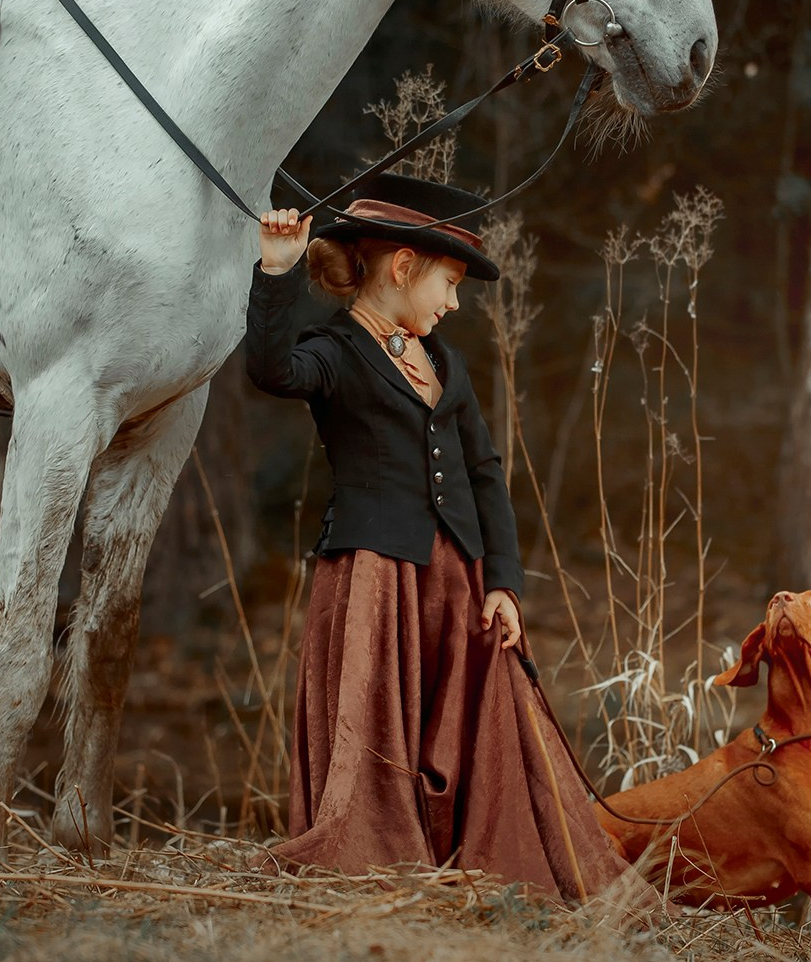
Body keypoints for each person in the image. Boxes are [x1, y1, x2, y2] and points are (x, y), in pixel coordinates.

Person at [244, 173, 632, 902]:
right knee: (381, 723)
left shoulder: (444, 362)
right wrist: (275, 273)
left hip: (455, 576)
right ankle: (378, 851)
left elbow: (486, 475)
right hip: (373, 575)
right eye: (448, 284)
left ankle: (459, 853)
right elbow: (270, 372)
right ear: (400, 267)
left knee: (463, 723)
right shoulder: (334, 350)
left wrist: (504, 583)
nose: (453, 303)